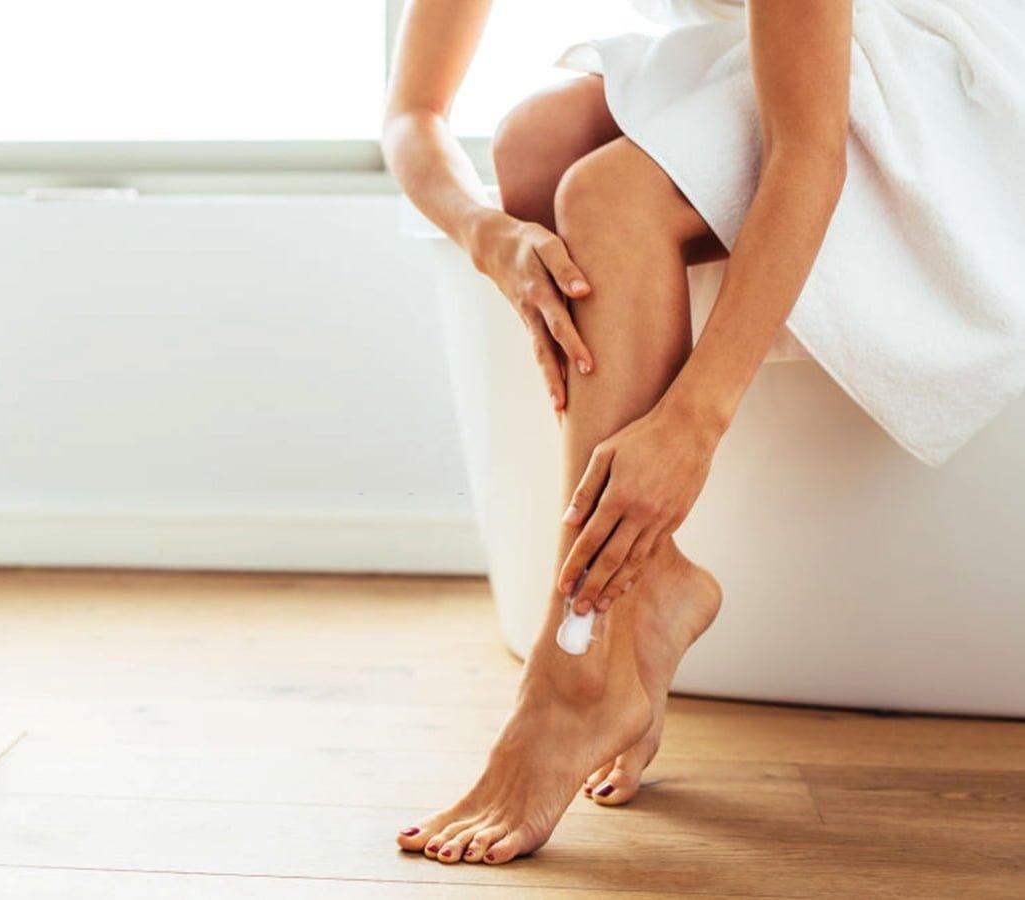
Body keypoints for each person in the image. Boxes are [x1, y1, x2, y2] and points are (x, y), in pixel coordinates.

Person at [383, 0, 1025, 865]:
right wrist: (486, 233)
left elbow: (809, 152)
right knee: (531, 147)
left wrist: (692, 422)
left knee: (604, 195)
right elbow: (411, 114)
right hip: (766, 48)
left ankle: (574, 668)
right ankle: (646, 593)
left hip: (950, 70)